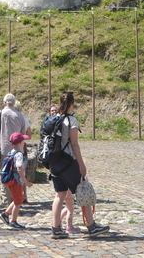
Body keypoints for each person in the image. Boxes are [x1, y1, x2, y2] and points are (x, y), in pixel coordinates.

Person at [49, 92, 109, 239]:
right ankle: (91, 226)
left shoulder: (54, 119)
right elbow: (74, 143)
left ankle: (55, 228)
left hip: (54, 161)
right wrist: (81, 164)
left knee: (59, 195)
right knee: (83, 190)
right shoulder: (71, 120)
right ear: (72, 104)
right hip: (68, 161)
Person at [0, 93, 30, 205]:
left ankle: (6, 200)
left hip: (4, 149)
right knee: (17, 174)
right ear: (14, 103)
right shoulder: (19, 115)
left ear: (4, 102)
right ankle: (16, 199)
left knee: (4, 173)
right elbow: (23, 134)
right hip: (18, 150)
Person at [0, 132, 33, 229]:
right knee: (18, 202)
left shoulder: (11, 152)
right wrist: (25, 181)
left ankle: (5, 214)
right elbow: (19, 168)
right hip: (16, 181)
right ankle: (13, 222)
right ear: (21, 143)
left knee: (18, 199)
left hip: (12, 180)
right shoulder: (19, 155)